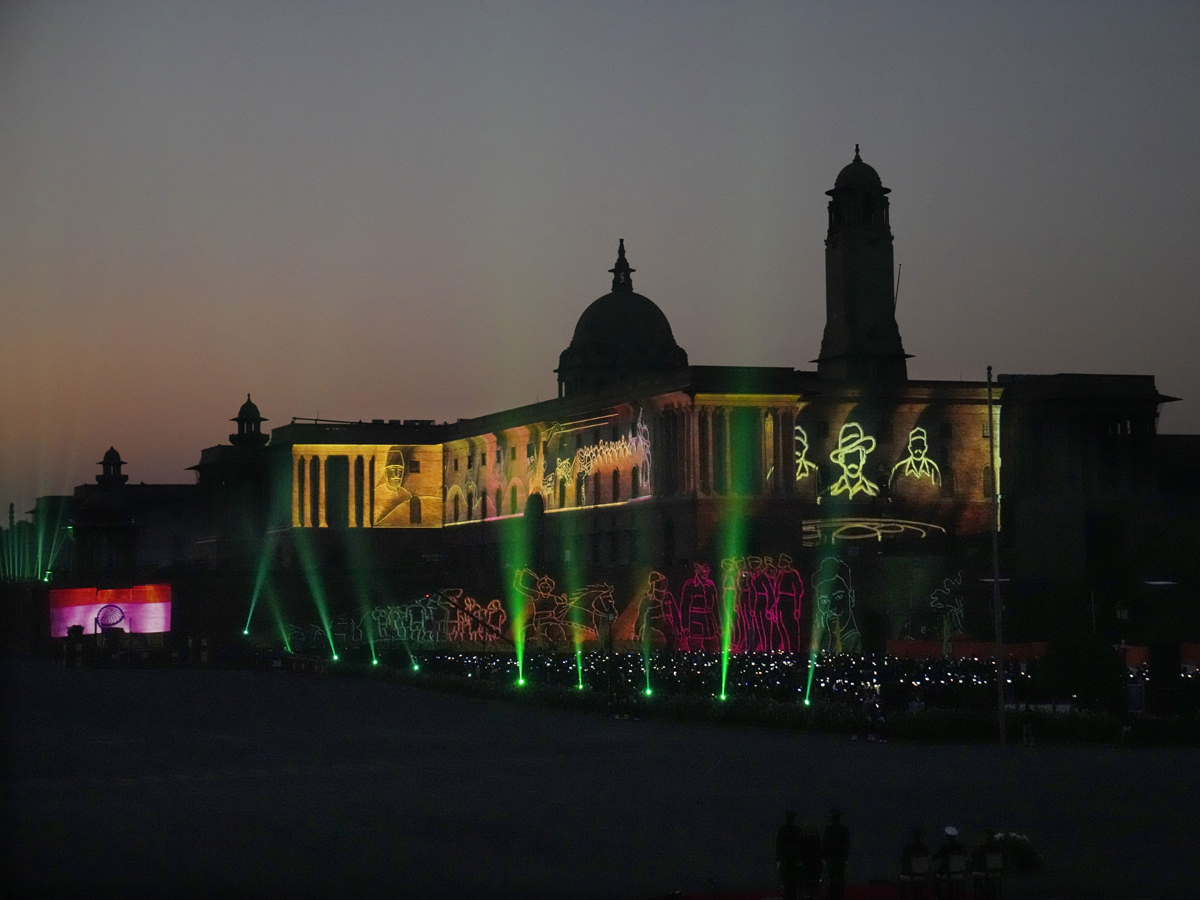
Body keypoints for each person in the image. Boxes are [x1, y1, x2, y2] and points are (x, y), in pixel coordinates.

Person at [823, 809, 850, 900]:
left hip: (831, 857)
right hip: (840, 856)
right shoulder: (843, 829)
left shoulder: (829, 829)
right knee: (840, 876)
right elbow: (846, 844)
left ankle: (834, 895)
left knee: (833, 877)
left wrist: (824, 857)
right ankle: (840, 895)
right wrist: (846, 856)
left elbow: (825, 844)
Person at [776, 809, 803, 900]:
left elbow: (779, 844)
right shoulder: (797, 829)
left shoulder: (782, 829)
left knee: (786, 880)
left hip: (785, 858)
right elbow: (800, 845)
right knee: (793, 880)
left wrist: (778, 858)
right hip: (794, 858)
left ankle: (787, 896)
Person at [899, 827, 929, 899]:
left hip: (912, 875)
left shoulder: (908, 848)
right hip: (924, 875)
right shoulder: (924, 848)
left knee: (900, 878)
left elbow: (904, 861)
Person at [798, 822, 823, 899]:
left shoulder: (802, 838)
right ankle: (812, 894)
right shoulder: (815, 838)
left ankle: (806, 894)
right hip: (813, 863)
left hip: (806, 863)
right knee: (813, 880)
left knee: (806, 879)